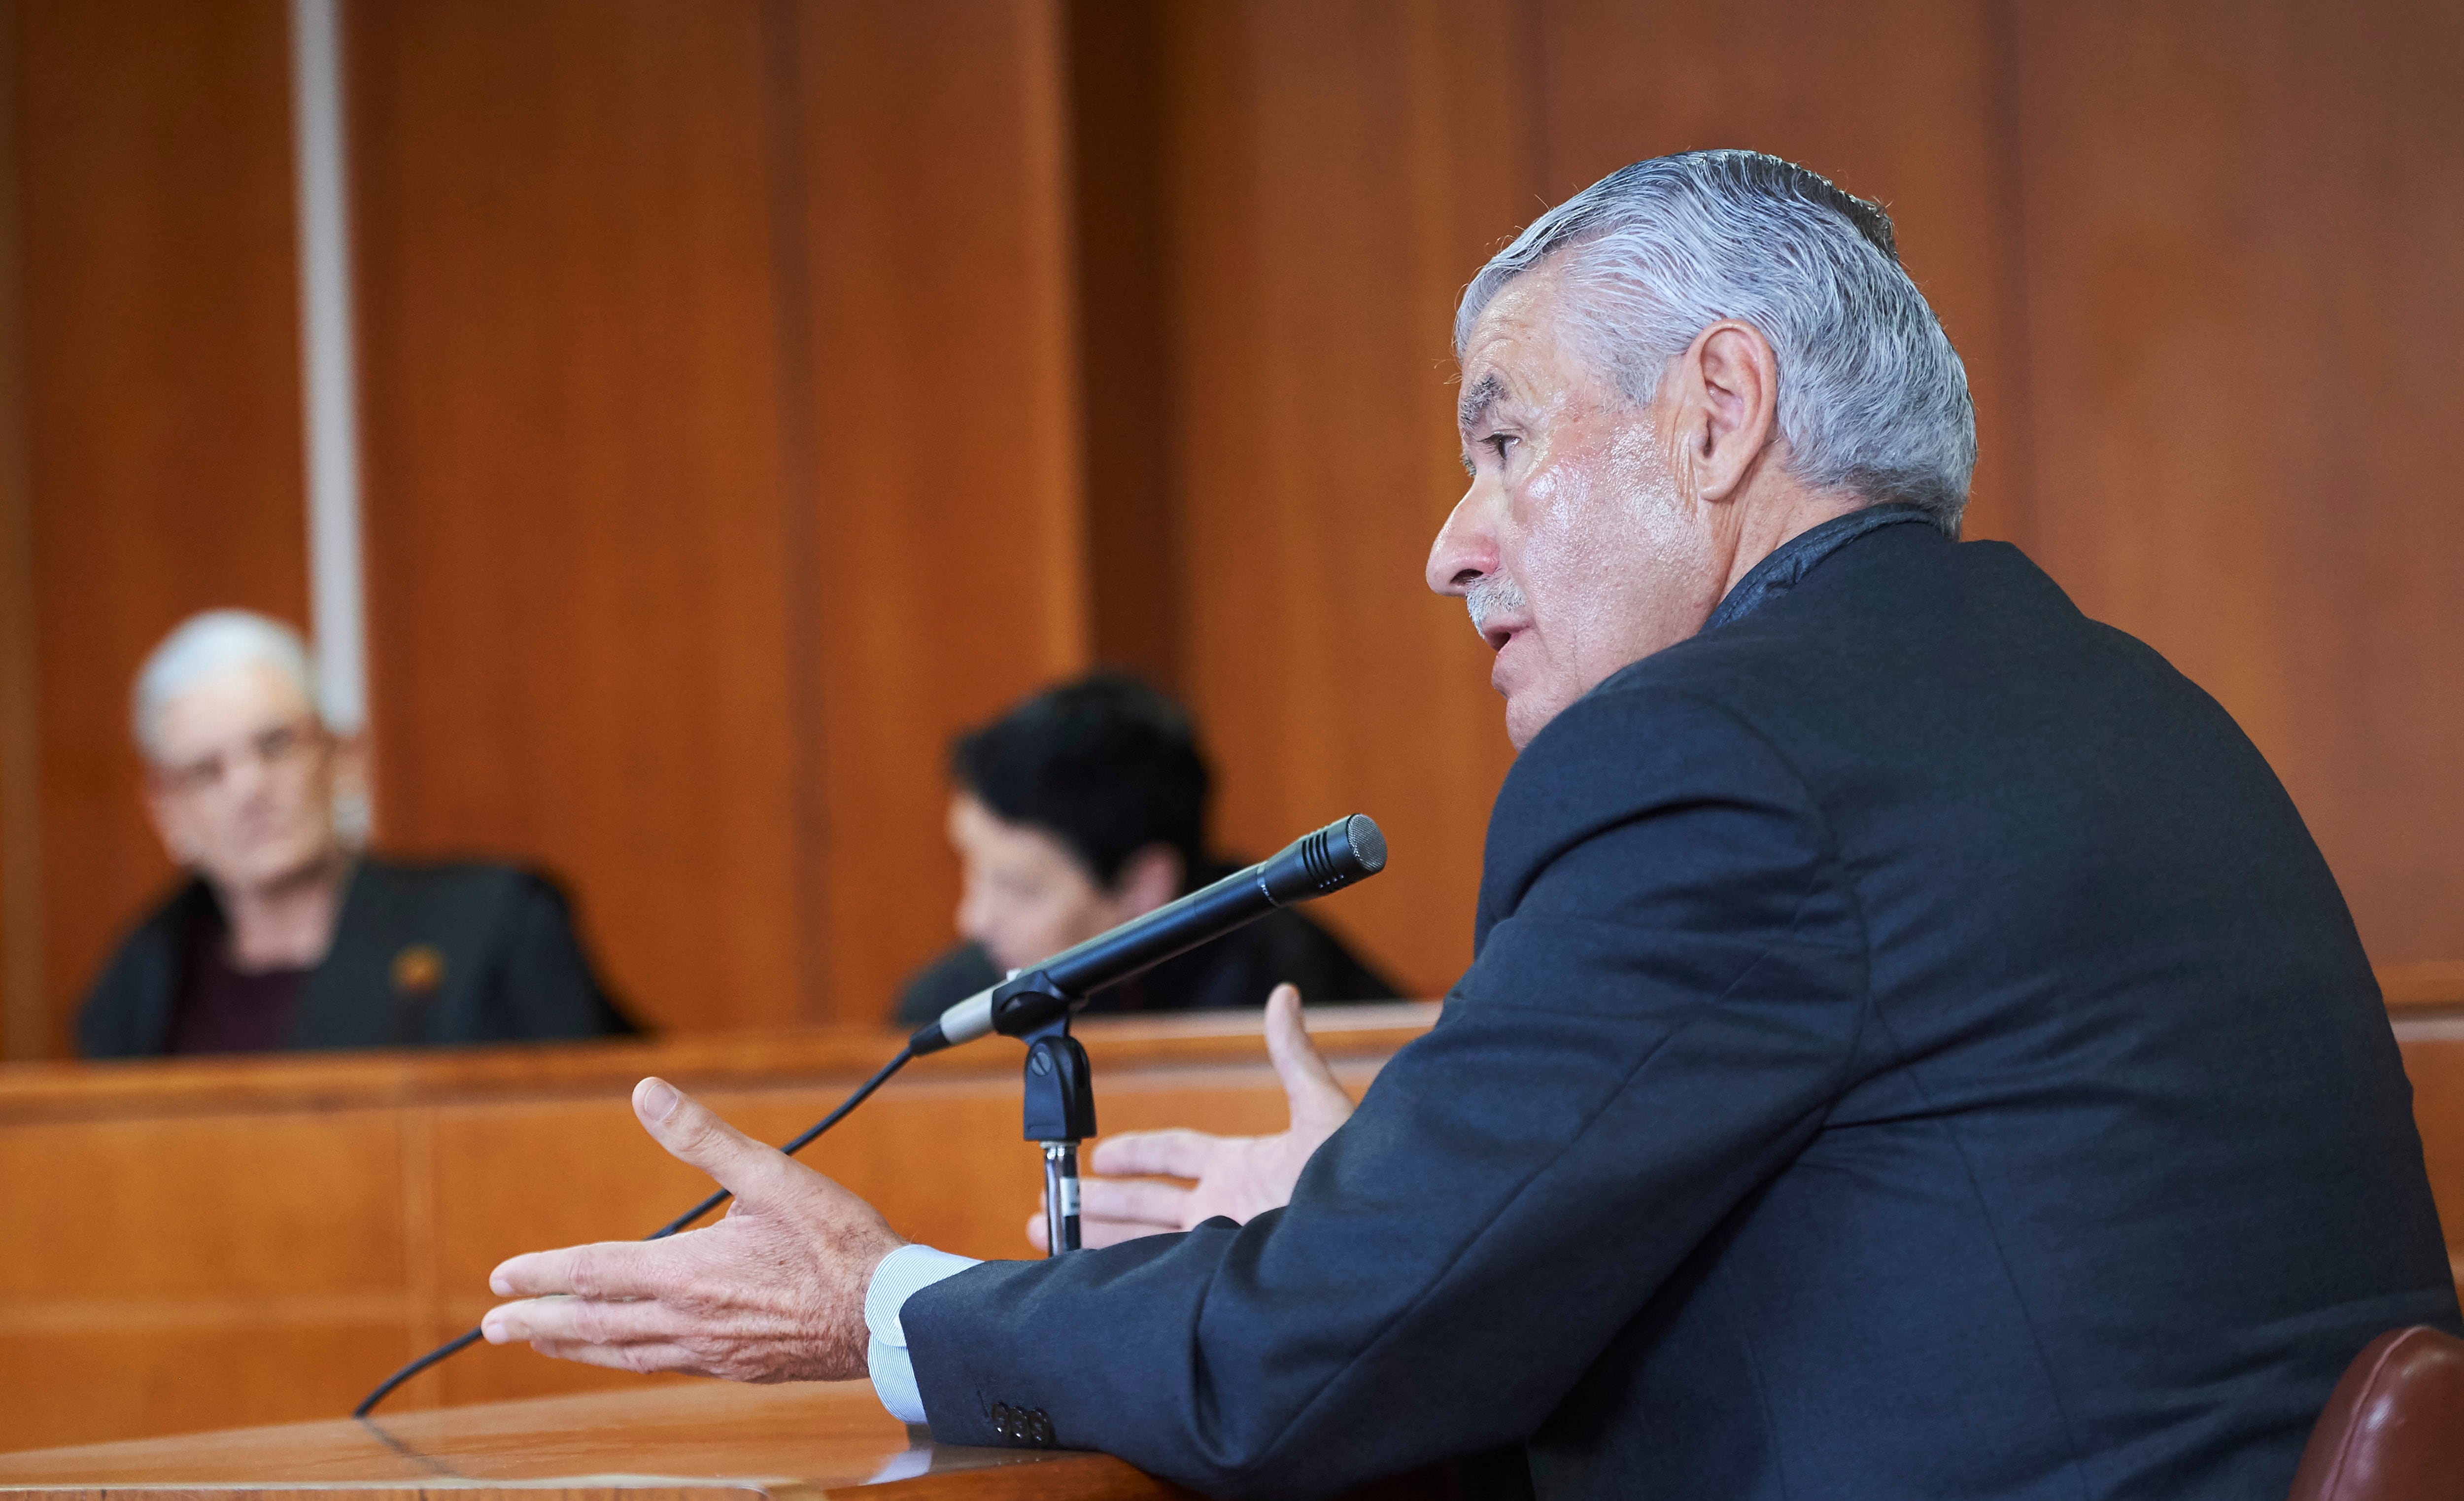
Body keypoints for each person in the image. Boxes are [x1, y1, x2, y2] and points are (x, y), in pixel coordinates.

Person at [478, 151, 2460, 1501]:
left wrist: (885, 1303)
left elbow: (1310, 1368)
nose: (1448, 543)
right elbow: (1905, 1226)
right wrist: (1416, 1225)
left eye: (1502, 438)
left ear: (1713, 412)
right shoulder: (2113, 702)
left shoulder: (1716, 749)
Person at [77, 610, 634, 1056]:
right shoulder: (138, 978)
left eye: (275, 745)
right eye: (206, 771)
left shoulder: (496, 924)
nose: (249, 788)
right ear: (165, 809)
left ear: (343, 758)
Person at [893, 673, 1399, 1026]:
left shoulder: (1291, 991)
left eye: (1019, 889)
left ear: (1143, 884)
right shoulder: (948, 1003)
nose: (973, 920)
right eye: (975, 873)